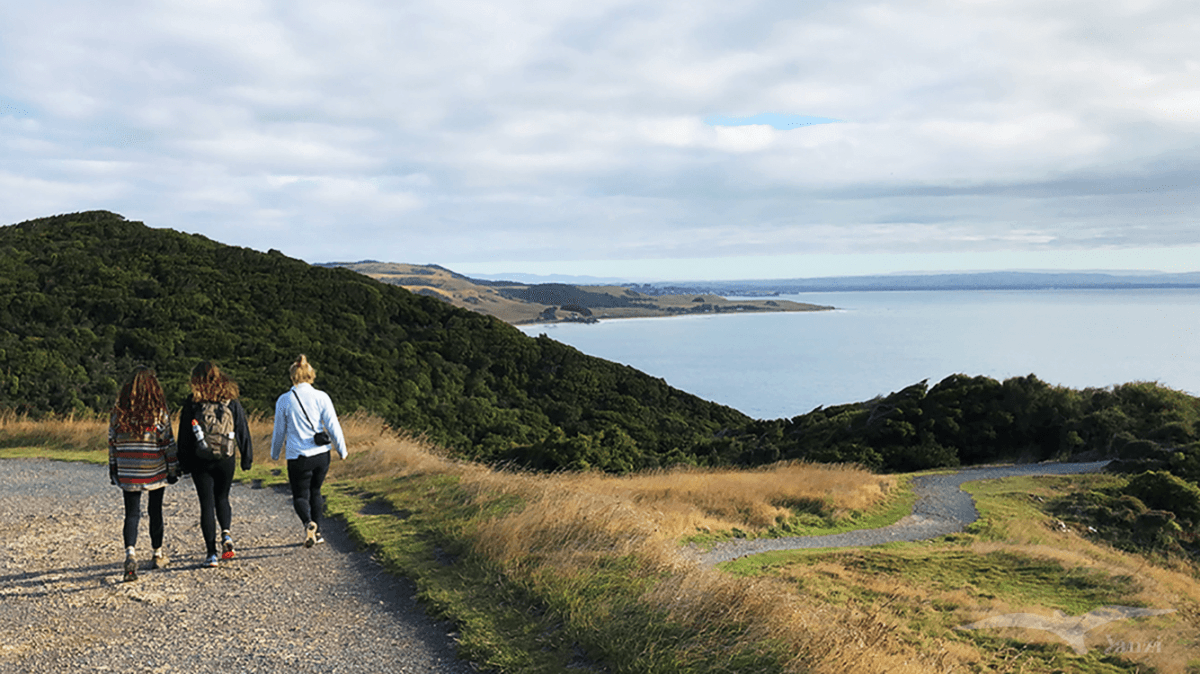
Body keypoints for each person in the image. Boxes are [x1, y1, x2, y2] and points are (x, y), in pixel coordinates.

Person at [177, 361, 253, 568]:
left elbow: (184, 436)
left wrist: (182, 463)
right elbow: (242, 429)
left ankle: (211, 554)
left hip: (200, 460)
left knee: (206, 504)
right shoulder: (230, 401)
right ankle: (226, 534)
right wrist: (246, 458)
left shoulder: (193, 402)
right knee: (223, 497)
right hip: (226, 458)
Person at [108, 366, 179, 582]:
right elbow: (167, 444)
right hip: (154, 469)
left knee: (131, 513)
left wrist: (114, 469)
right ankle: (157, 554)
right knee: (155, 511)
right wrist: (173, 468)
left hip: (128, 470)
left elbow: (112, 444)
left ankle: (130, 554)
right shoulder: (159, 414)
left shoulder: (118, 414)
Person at [271, 354, 347, 548]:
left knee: (300, 495)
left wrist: (275, 453)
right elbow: (333, 425)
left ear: (292, 376)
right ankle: (318, 532)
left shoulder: (284, 400)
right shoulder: (322, 397)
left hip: (298, 455)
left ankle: (308, 523)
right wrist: (342, 450)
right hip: (321, 454)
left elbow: (279, 430)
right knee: (316, 491)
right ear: (311, 375)